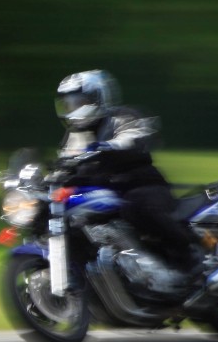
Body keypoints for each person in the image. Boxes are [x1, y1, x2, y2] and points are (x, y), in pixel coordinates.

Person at [53, 69, 202, 278]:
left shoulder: (123, 116)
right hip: (102, 191)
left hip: (140, 184)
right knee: (71, 216)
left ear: (98, 97)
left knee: (136, 206)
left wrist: (110, 145)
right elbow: (64, 161)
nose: (73, 108)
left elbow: (137, 136)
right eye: (69, 103)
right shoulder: (75, 135)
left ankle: (188, 257)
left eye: (79, 102)